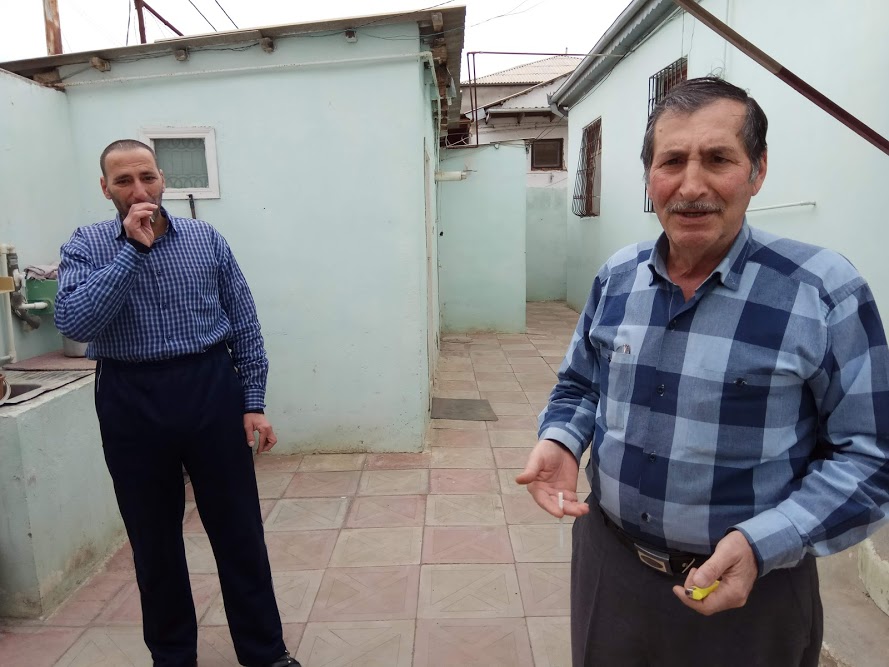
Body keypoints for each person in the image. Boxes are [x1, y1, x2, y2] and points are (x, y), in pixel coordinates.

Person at [517, 77, 889, 666]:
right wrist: (562, 439)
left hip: (753, 592)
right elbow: (581, 383)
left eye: (718, 159)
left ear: (757, 171)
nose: (691, 186)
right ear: (649, 177)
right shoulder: (618, 276)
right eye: (672, 162)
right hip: (610, 571)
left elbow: (871, 454)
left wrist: (765, 543)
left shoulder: (822, 292)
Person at [55, 140, 300, 667]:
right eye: (123, 181)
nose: (138, 190)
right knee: (153, 540)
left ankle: (265, 653)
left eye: (146, 177)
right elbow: (75, 323)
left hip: (209, 387)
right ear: (105, 189)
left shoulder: (206, 239)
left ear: (163, 179)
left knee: (239, 531)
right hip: (129, 396)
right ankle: (172, 656)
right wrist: (131, 250)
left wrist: (252, 401)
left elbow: (245, 323)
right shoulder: (86, 245)